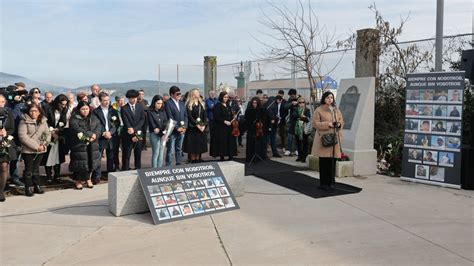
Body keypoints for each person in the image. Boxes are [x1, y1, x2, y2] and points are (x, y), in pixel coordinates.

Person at [311, 91, 344, 190]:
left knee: (332, 161)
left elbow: (341, 120)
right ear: (324, 99)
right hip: (324, 139)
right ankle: (323, 183)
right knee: (324, 162)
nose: (330, 99)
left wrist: (339, 124)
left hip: (334, 139)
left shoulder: (336, 110)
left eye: (331, 97)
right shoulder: (319, 110)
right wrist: (327, 124)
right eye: (328, 97)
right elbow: (315, 123)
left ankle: (331, 182)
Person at [18, 103, 51, 196]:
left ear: (39, 112)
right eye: (31, 110)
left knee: (36, 168)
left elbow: (48, 134)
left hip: (41, 149)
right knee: (29, 168)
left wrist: (44, 145)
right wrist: (36, 146)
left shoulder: (43, 121)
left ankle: (37, 185)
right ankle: (29, 187)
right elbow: (22, 136)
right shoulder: (24, 121)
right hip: (28, 150)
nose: (33, 112)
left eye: (35, 111)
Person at [69, 101, 101, 189]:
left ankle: (88, 179)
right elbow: (77, 129)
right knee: (79, 163)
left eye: (87, 109)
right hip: (79, 144)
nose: (85, 111)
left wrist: (95, 135)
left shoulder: (93, 117)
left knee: (90, 162)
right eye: (83, 109)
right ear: (79, 109)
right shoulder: (74, 118)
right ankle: (78, 181)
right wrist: (90, 135)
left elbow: (98, 127)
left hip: (92, 144)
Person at [92, 92, 119, 183]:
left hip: (111, 136)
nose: (107, 102)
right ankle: (97, 176)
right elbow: (95, 125)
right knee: (98, 157)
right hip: (101, 137)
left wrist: (110, 132)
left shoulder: (113, 110)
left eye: (108, 100)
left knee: (111, 157)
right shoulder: (95, 112)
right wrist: (103, 133)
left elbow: (117, 124)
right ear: (100, 101)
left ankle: (110, 175)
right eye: (104, 101)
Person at [43, 94, 68, 184]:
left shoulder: (64, 110)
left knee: (58, 156)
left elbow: (63, 122)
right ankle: (48, 176)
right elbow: (44, 121)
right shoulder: (48, 108)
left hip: (58, 135)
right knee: (48, 156)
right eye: (62, 104)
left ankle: (57, 176)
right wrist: (51, 131)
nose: (63, 106)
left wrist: (58, 130)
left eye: (65, 104)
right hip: (49, 134)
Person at [121, 89, 146, 170]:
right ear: (128, 98)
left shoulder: (140, 106)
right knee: (126, 154)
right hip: (128, 135)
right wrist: (132, 134)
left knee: (138, 153)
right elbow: (126, 122)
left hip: (138, 133)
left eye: (135, 97)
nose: (134, 99)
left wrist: (135, 131)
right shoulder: (124, 108)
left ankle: (138, 169)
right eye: (132, 98)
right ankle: (125, 169)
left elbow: (142, 120)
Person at [210, 91, 237, 161]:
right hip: (221, 127)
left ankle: (230, 155)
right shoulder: (217, 106)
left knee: (230, 141)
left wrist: (233, 117)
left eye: (227, 97)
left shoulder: (228, 106)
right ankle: (222, 156)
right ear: (221, 97)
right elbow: (216, 117)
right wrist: (225, 121)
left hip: (229, 127)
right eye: (224, 97)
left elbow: (230, 115)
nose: (226, 98)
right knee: (222, 142)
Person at [183, 89, 208, 163]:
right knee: (193, 146)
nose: (198, 93)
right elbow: (189, 117)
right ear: (192, 94)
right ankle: (193, 160)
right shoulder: (189, 104)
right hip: (193, 128)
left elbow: (205, 116)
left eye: (198, 92)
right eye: (196, 92)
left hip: (201, 128)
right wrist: (197, 125)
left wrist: (204, 125)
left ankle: (198, 159)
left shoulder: (202, 104)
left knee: (199, 145)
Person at [165, 86, 188, 166]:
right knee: (170, 149)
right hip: (173, 130)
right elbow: (170, 117)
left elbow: (185, 116)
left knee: (179, 148)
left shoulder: (182, 103)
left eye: (180, 94)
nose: (179, 95)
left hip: (182, 130)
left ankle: (178, 163)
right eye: (177, 94)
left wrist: (184, 127)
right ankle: (169, 165)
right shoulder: (168, 103)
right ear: (172, 94)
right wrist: (177, 128)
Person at [0, 95, 17, 201]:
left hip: (5, 143)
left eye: (2, 101)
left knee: (4, 167)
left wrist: (6, 133)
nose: (1, 103)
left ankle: (0, 191)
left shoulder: (8, 112)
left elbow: (12, 128)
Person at [244, 97, 268, 162]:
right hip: (251, 129)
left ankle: (258, 156)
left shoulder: (261, 110)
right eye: (253, 103)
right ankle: (250, 156)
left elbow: (264, 119)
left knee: (259, 143)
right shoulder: (248, 110)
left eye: (256, 103)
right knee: (250, 143)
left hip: (258, 129)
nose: (254, 104)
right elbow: (246, 119)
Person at [148, 95, 168, 168]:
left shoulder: (163, 111)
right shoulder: (150, 111)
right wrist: (161, 134)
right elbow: (152, 125)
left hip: (163, 134)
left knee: (161, 152)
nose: (160, 105)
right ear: (154, 103)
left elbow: (165, 122)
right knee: (156, 152)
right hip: (154, 134)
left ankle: (159, 168)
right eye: (158, 103)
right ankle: (154, 169)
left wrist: (165, 133)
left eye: (161, 103)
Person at [292, 97, 311, 162]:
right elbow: (294, 116)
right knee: (298, 144)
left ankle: (304, 157)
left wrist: (300, 117)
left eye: (303, 102)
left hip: (304, 129)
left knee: (305, 144)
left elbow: (307, 119)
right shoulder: (295, 109)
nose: (301, 104)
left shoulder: (307, 110)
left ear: (305, 103)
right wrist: (302, 117)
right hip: (297, 129)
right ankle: (299, 156)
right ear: (298, 103)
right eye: (300, 102)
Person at [112, 95, 125, 170]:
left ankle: (124, 165)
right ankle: (116, 165)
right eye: (120, 100)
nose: (122, 102)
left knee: (125, 149)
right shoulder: (113, 109)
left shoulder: (126, 108)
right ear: (117, 101)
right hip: (116, 131)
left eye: (123, 100)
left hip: (124, 131)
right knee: (115, 150)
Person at [284, 89, 298, 156]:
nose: (291, 97)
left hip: (298, 120)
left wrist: (297, 103)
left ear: (295, 94)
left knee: (297, 136)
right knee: (289, 136)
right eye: (290, 96)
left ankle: (296, 150)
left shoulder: (299, 98)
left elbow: (303, 107)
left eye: (292, 96)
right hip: (291, 120)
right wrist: (291, 103)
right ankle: (288, 149)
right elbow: (285, 107)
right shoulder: (290, 100)